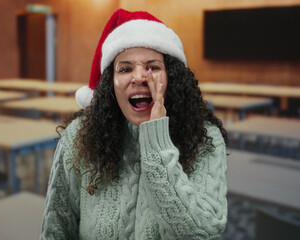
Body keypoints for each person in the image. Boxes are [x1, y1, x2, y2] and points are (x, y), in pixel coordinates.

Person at [40, 8, 228, 240]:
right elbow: (56, 229)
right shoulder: (79, 136)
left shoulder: (203, 139)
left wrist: (157, 142)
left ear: (172, 78)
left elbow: (202, 232)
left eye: (153, 67)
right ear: (111, 83)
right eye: (125, 69)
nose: (139, 77)